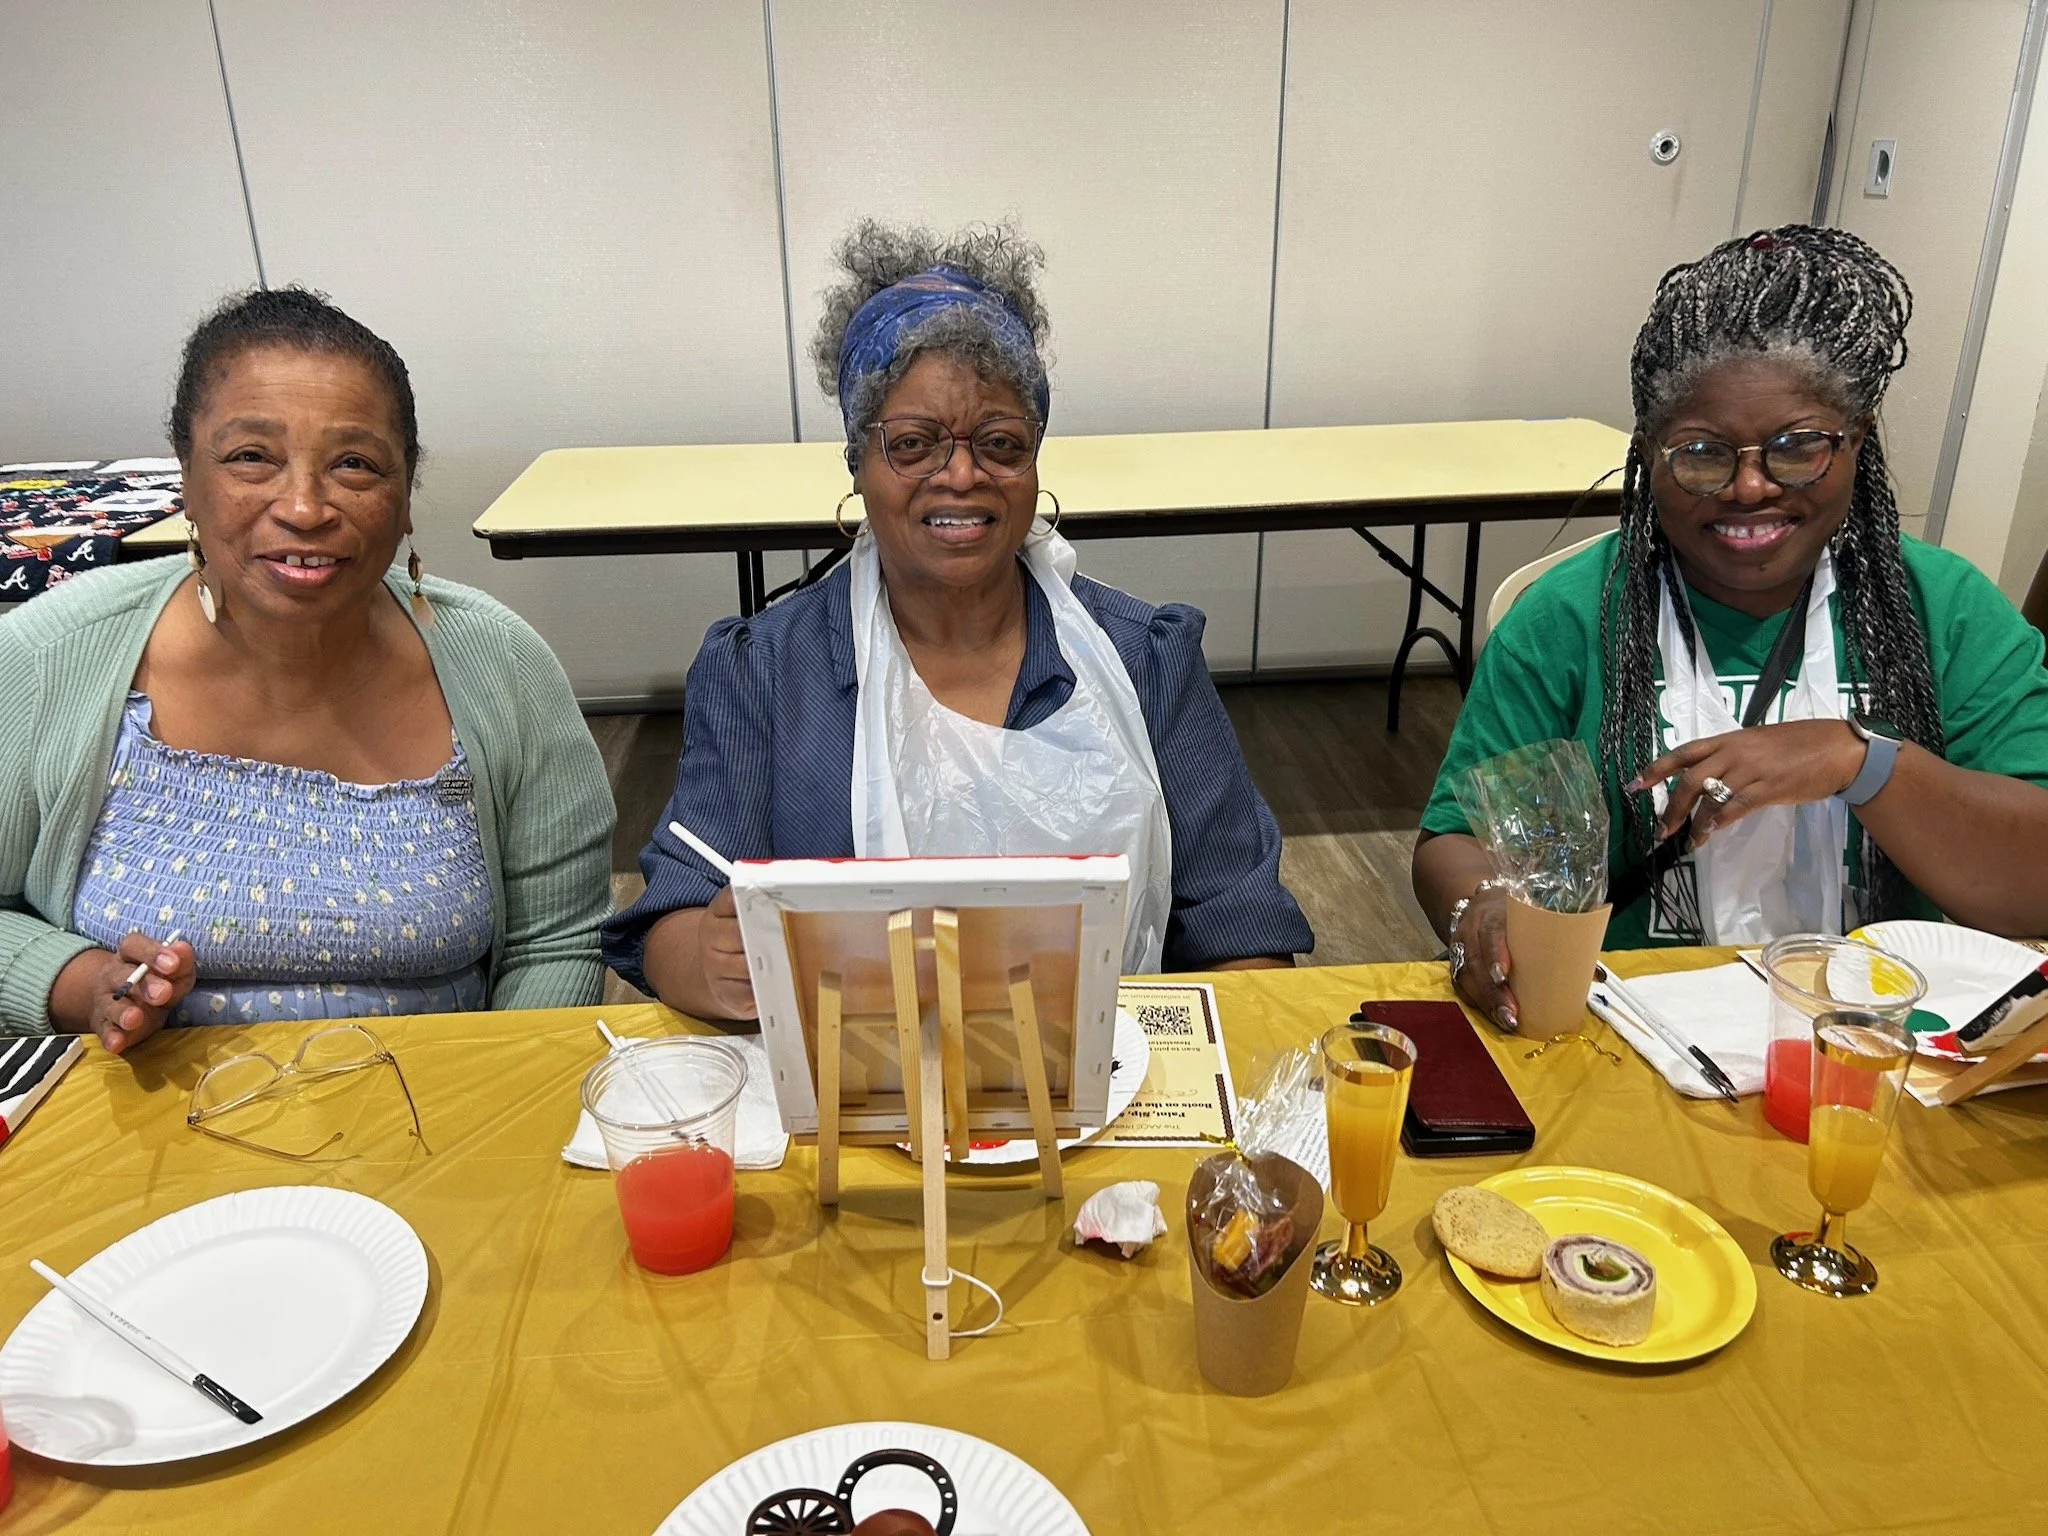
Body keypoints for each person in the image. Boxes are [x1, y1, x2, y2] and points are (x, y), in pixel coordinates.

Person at [606, 220, 1311, 1018]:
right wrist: (711, 961)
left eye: (1001, 442)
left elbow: (1241, 928)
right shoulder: (764, 674)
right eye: (913, 443)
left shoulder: (1143, 661)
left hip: (1116, 1090)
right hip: (855, 1099)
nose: (963, 474)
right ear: (859, 465)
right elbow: (674, 913)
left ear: (1036, 459)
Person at [1413, 226, 2048, 1031]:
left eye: (1798, 448)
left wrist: (1858, 764)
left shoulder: (1942, 608)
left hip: (1892, 1048)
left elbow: (2036, 879)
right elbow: (1450, 842)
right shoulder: (1574, 615)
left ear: (1858, 444)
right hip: (1636, 1033)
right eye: (1703, 454)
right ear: (1649, 456)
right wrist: (1483, 908)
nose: (1750, 487)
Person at [0, 287, 614, 1049]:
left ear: (406, 494)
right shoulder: (45, 660)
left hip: (438, 1126)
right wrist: (80, 983)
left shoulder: (504, 665)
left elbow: (555, 943)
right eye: (251, 457)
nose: (304, 506)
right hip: (136, 1133)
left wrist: (497, 1099)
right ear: (186, 480)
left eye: (354, 464)